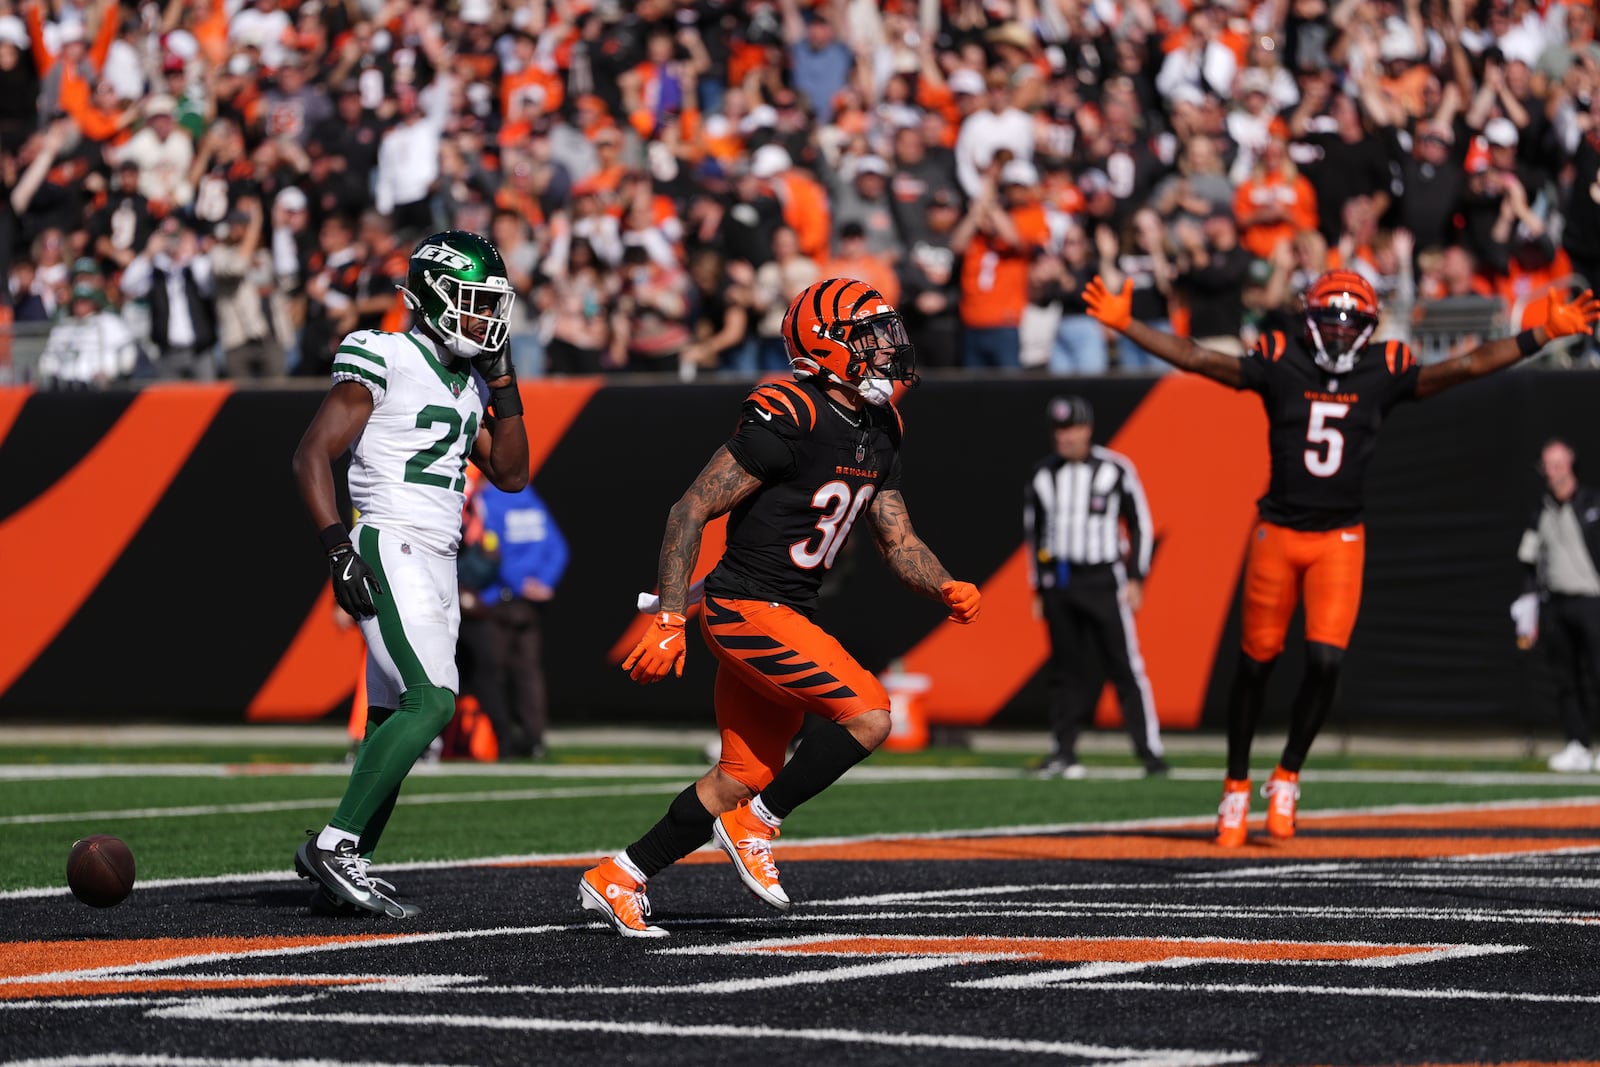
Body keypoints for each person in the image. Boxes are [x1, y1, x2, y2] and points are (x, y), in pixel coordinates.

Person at [1082, 269, 1600, 846]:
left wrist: (1540, 334)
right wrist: (1127, 324)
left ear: (1369, 326)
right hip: (1277, 532)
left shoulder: (1386, 369)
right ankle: (1234, 786)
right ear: (1310, 318)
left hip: (1339, 539)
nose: (1338, 330)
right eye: (1330, 318)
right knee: (1256, 664)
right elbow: (1199, 358)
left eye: (1350, 320)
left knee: (1326, 662)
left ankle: (1287, 776)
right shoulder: (1281, 357)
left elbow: (1465, 366)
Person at [579, 276, 982, 936]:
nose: (888, 349)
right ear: (828, 348)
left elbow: (897, 536)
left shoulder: (882, 425)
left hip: (788, 608)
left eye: (887, 335)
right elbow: (690, 508)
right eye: (870, 338)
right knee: (871, 715)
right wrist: (671, 616)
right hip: (744, 605)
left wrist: (941, 583)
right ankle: (759, 822)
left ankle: (620, 875)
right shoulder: (788, 411)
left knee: (742, 773)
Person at [290, 230, 529, 915]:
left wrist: (505, 379)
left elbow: (511, 471)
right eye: (475, 302)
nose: (488, 319)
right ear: (432, 298)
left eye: (493, 305)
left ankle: (349, 858)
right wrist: (338, 547)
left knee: (394, 712)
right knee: (433, 701)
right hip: (389, 538)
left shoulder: (469, 379)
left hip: (438, 554)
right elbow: (310, 455)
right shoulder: (385, 353)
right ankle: (334, 845)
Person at [1025, 395, 1166, 779]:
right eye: (1058, 430)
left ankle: (1150, 752)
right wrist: (1038, 585)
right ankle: (1064, 751)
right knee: (1065, 670)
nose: (1064, 437)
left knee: (1124, 666)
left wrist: (1136, 576)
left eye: (1070, 428)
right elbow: (1034, 533)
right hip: (1061, 580)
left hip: (1104, 579)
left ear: (1087, 429)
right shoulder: (1043, 475)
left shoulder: (1114, 469)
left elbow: (1140, 523)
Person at [459, 477, 569, 760]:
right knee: (528, 673)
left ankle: (504, 739)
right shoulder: (530, 496)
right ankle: (534, 740)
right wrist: (543, 582)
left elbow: (491, 552)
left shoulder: (484, 500)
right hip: (531, 602)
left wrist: (520, 584)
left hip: (497, 601)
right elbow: (557, 547)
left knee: (491, 674)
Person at [1514, 439, 1600, 773]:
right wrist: (1528, 601)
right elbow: (1528, 558)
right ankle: (1577, 744)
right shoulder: (1542, 509)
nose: (1555, 471)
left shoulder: (1592, 502)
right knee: (1566, 679)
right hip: (1556, 604)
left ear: (1571, 463)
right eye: (1549, 465)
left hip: (1592, 599)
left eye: (1559, 463)